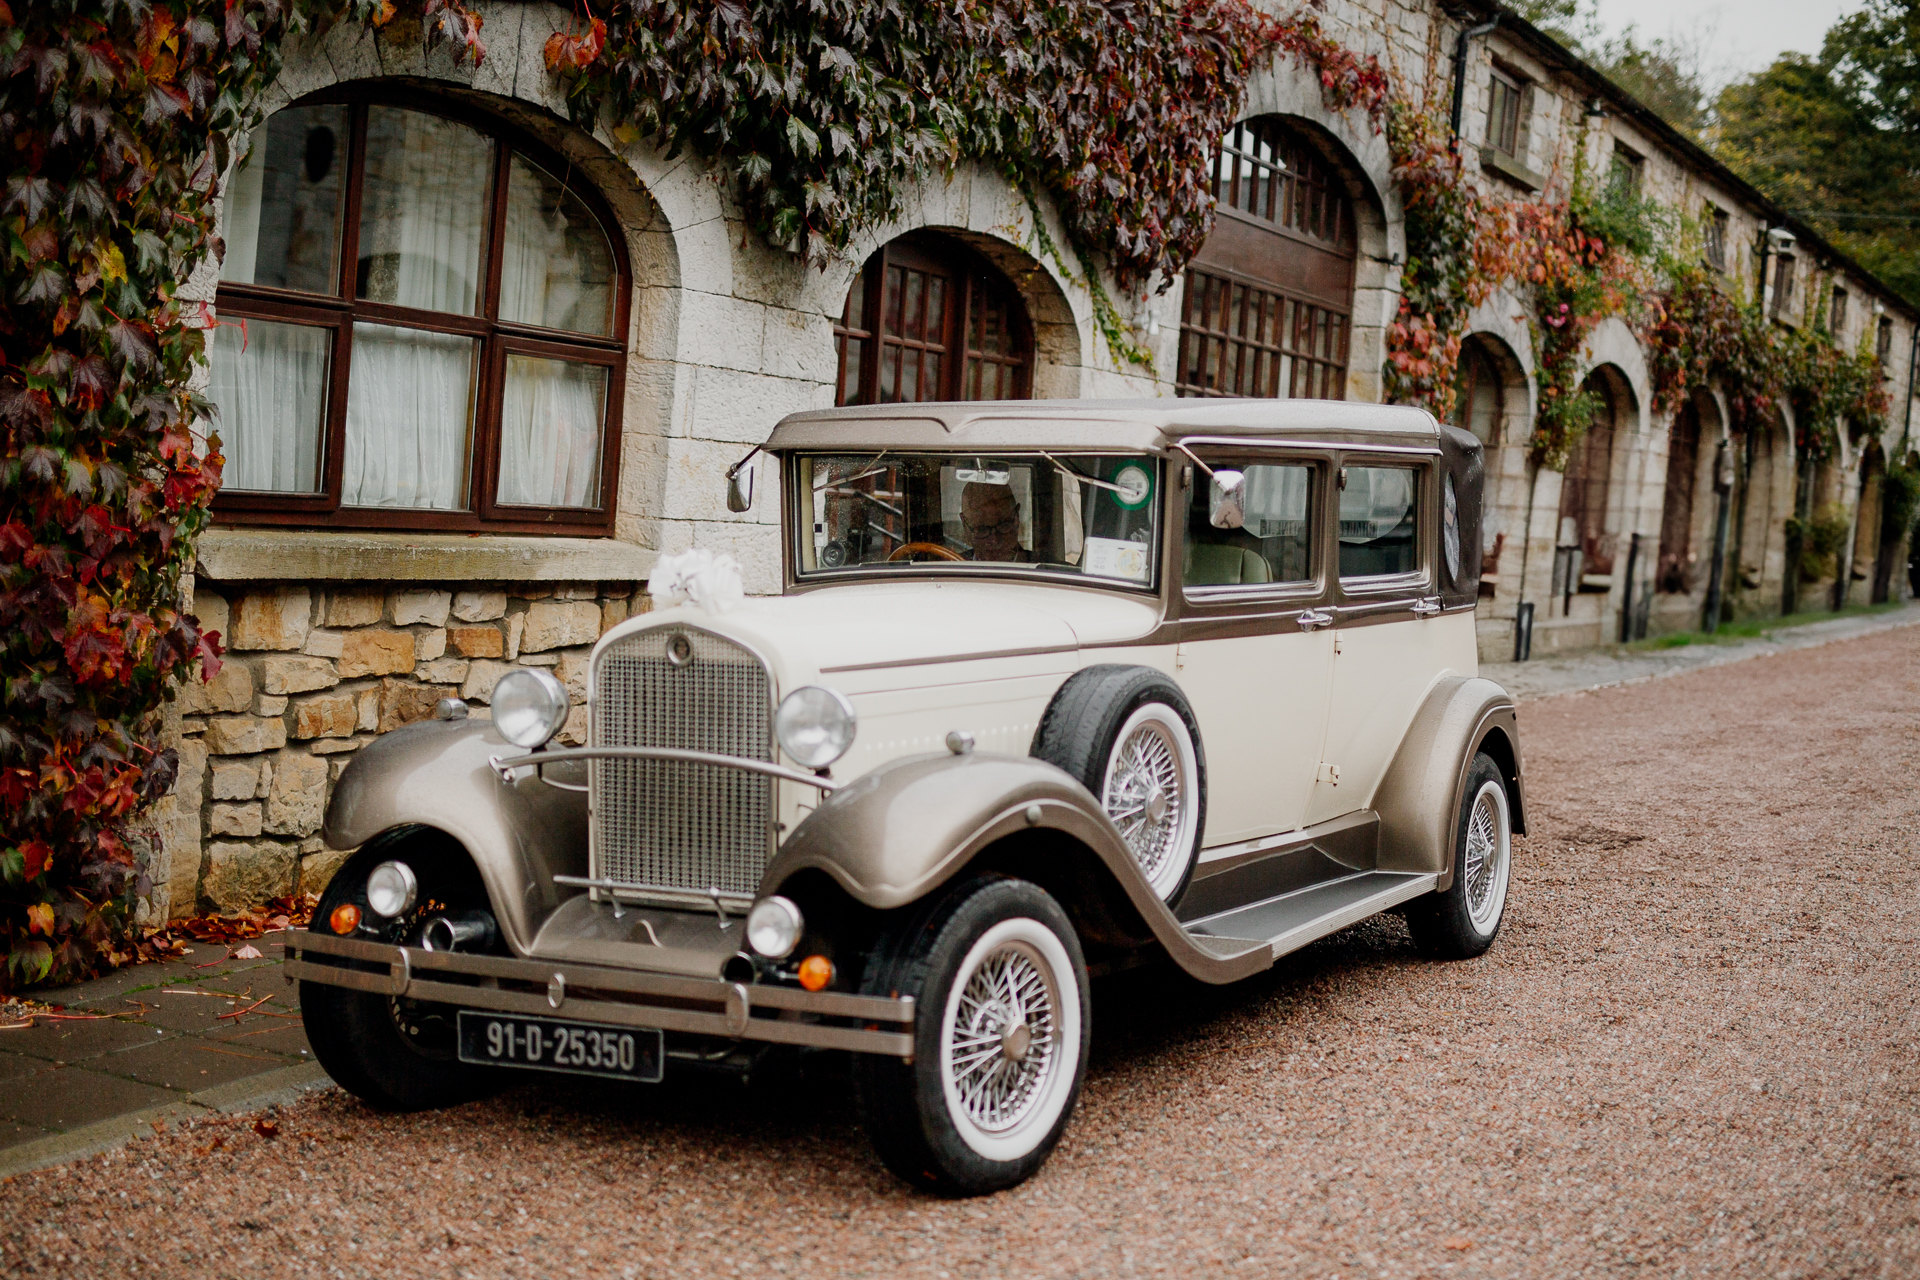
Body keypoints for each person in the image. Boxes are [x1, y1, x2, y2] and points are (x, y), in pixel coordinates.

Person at [960, 482, 1031, 562]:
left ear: (1017, 518)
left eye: (1003, 525)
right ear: (964, 524)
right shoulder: (952, 567)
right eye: (981, 529)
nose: (994, 540)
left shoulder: (1043, 569)